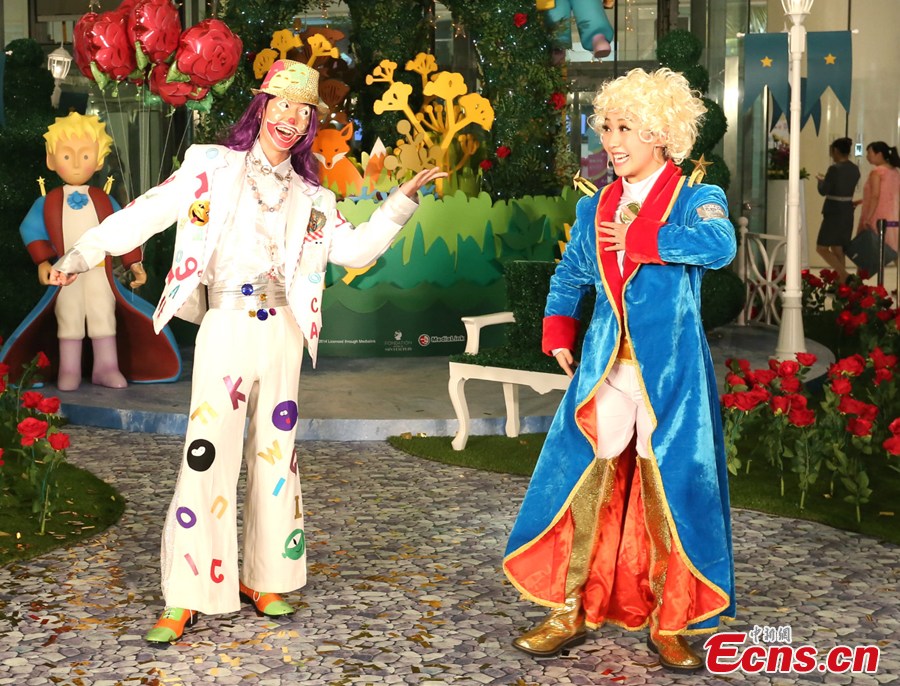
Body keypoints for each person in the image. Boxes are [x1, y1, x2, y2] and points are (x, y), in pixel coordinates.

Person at [49, 59, 445, 644]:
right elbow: (146, 213)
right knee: (206, 454)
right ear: (261, 108)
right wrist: (83, 254)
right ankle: (188, 593)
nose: (291, 117)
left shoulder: (313, 196)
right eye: (282, 104)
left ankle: (265, 578)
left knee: (276, 457)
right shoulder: (210, 167)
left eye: (303, 110)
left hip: (283, 329)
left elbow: (356, 250)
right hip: (226, 324)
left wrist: (399, 203)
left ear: (310, 123)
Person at [503, 68, 736, 673]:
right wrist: (558, 329)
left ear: (660, 132)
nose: (611, 140)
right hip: (606, 371)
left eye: (624, 127)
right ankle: (568, 609)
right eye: (606, 127)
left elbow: (720, 247)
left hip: (671, 380)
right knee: (580, 480)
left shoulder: (697, 196)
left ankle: (671, 621)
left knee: (671, 489)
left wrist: (643, 237)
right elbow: (572, 273)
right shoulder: (597, 203)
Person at [1, 112, 180, 390]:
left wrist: (134, 263)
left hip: (99, 274)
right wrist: (43, 262)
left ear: (98, 161)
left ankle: (106, 367)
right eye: (66, 155)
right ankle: (69, 369)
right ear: (51, 160)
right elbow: (32, 229)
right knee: (68, 317)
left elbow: (124, 228)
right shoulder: (49, 202)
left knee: (103, 316)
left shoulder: (104, 200)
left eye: (85, 156)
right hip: (64, 275)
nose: (75, 163)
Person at [815, 137, 859, 283]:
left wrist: (820, 182)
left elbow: (824, 191)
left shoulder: (834, 169)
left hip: (833, 211)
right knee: (837, 247)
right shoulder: (855, 169)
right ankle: (842, 284)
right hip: (847, 210)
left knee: (821, 248)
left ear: (835, 150)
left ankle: (844, 275)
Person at [856, 141, 900, 256]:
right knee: (890, 251)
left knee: (868, 250)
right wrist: (860, 201)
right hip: (892, 216)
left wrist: (868, 218)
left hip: (877, 215)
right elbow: (888, 194)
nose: (867, 156)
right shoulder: (895, 172)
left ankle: (864, 271)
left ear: (879, 154)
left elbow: (875, 196)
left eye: (869, 153)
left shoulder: (877, 172)